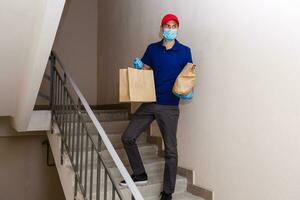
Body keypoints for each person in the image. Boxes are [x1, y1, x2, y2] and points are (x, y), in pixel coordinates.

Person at [120, 13, 193, 200]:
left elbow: (188, 76)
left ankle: (167, 192)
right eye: (167, 26)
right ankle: (139, 173)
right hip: (150, 102)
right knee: (128, 137)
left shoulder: (185, 51)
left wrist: (188, 91)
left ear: (177, 28)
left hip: (169, 107)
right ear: (161, 29)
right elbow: (146, 69)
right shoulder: (152, 49)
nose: (170, 29)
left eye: (173, 26)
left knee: (170, 149)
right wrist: (139, 66)